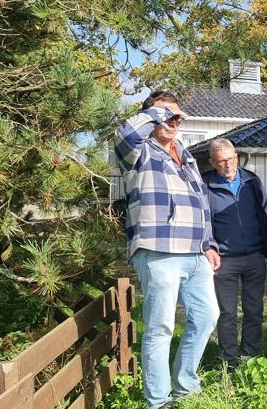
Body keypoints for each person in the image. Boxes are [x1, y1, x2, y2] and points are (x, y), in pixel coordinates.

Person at [114, 91, 220, 409]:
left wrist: (210, 243)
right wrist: (158, 110)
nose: (173, 121)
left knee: (206, 318)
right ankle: (158, 401)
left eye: (177, 116)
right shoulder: (138, 151)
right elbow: (125, 132)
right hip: (158, 251)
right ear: (153, 116)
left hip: (195, 254)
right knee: (161, 327)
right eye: (166, 115)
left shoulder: (185, 154)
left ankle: (185, 385)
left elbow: (201, 202)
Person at [204, 139, 267, 371]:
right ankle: (229, 360)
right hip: (224, 260)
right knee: (228, 313)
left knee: (254, 310)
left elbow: (262, 212)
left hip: (254, 256)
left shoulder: (252, 181)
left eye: (231, 158)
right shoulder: (206, 185)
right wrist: (210, 246)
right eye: (222, 161)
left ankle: (250, 356)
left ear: (237, 156)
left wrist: (265, 248)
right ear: (212, 162)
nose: (228, 164)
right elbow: (205, 222)